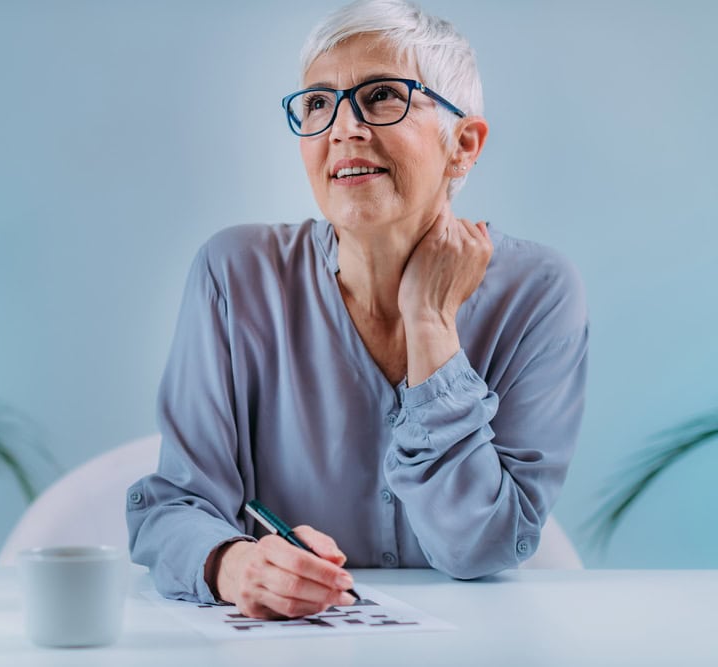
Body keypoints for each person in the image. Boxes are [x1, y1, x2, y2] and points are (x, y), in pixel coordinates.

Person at [126, 0, 588, 620]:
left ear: (464, 144)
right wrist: (237, 565)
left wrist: (430, 323)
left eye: (381, 96)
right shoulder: (235, 273)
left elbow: (481, 546)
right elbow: (174, 507)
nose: (344, 127)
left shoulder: (538, 292)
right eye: (318, 103)